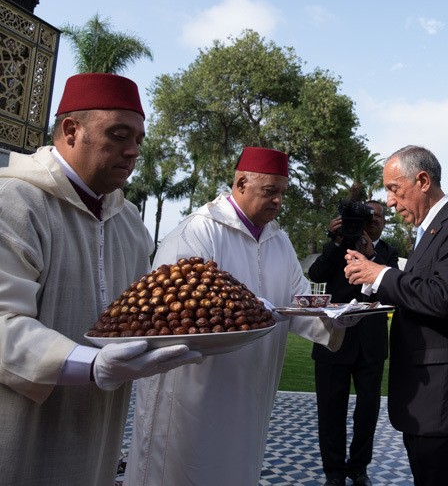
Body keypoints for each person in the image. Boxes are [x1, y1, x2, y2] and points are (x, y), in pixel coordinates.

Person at [0, 73, 203, 486]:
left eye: (138, 140)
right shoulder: (15, 203)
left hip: (101, 424)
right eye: (118, 135)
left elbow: (143, 311)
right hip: (21, 424)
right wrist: (90, 364)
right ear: (71, 131)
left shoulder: (129, 221)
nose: (133, 151)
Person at [125, 146, 348, 486]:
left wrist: (335, 315)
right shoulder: (198, 232)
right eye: (270, 191)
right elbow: (174, 311)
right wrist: (254, 308)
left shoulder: (278, 240)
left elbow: (297, 300)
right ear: (241, 183)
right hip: (197, 390)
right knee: (183, 469)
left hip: (252, 389)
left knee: (238, 467)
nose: (278, 201)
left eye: (282, 192)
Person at [343, 145, 448, 485]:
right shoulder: (432, 231)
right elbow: (420, 291)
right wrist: (372, 273)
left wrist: (380, 275)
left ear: (422, 181)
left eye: (394, 189)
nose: (390, 202)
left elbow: (441, 297)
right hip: (429, 401)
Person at [308, 200, 400, 486]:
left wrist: (372, 256)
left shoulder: (388, 253)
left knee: (367, 411)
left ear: (384, 222)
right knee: (329, 409)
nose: (372, 220)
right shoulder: (338, 246)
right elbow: (316, 275)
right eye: (365, 216)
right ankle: (334, 473)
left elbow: (393, 292)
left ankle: (359, 469)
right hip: (332, 340)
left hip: (371, 344)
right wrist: (335, 242)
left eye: (377, 216)